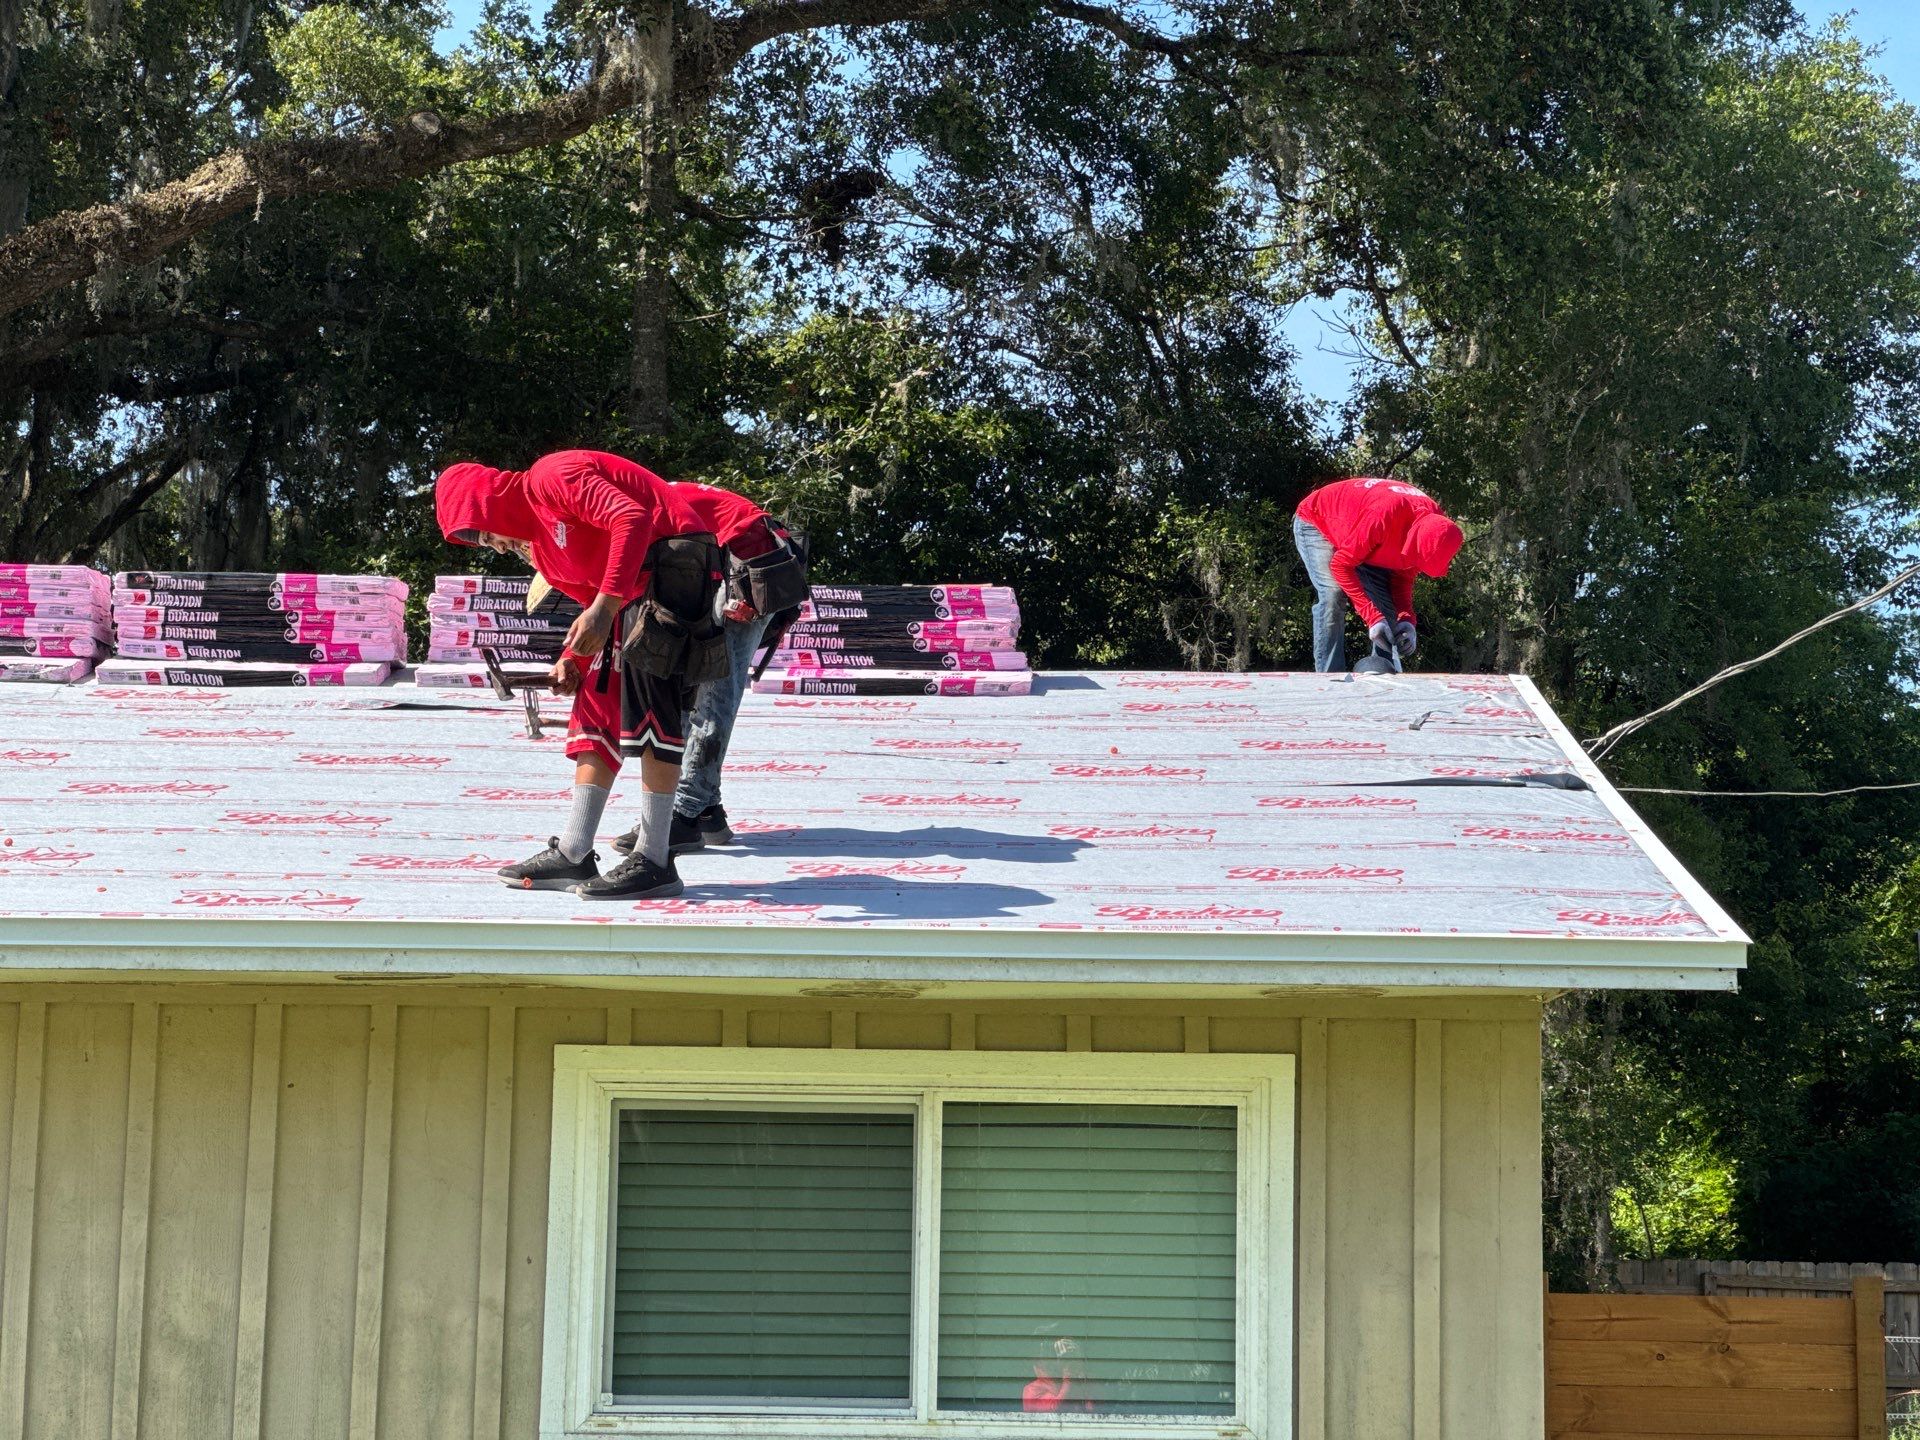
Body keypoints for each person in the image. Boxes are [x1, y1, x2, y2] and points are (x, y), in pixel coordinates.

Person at [435, 450, 727, 900]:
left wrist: (604, 608)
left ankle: (655, 859)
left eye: (479, 530)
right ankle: (574, 852)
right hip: (636, 587)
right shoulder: (544, 548)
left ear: (484, 501)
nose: (488, 544)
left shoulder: (550, 477)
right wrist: (573, 657)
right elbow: (593, 591)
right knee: (594, 704)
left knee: (653, 711)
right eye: (473, 539)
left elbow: (630, 517)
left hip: (675, 561)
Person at [611, 479, 807, 859]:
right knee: (695, 686)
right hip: (738, 558)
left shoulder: (621, 512)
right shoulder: (630, 497)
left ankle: (683, 814)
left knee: (713, 692)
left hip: (749, 563)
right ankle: (705, 812)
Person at [1292, 476, 1463, 673]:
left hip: (1364, 537)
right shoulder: (1384, 516)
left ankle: (1383, 676)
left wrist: (1407, 620)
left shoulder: (1435, 530)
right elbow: (1341, 565)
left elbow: (1402, 577)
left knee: (1388, 610)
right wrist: (1372, 618)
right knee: (1333, 594)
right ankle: (1330, 677)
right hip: (1318, 520)